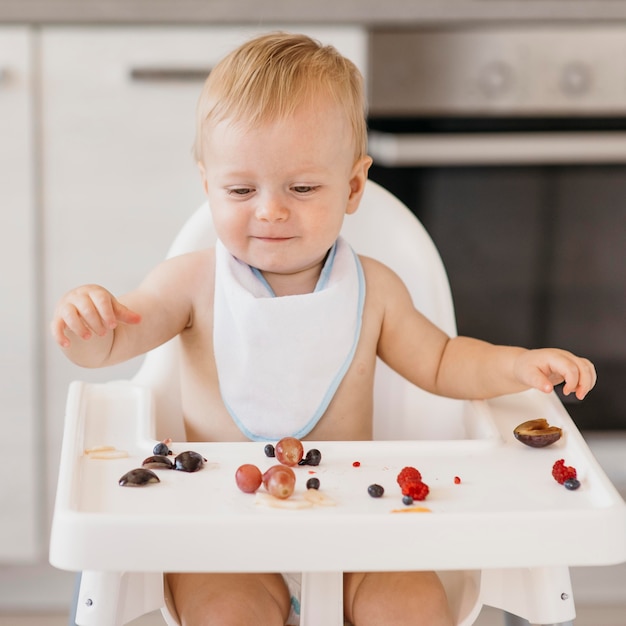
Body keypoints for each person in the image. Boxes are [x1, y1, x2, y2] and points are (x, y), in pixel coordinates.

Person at [51, 32, 597, 626]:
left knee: (412, 607)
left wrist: (515, 365)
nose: (270, 210)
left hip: (358, 530)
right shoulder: (189, 285)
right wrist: (91, 325)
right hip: (225, 540)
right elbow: (117, 340)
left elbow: (442, 362)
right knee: (225, 614)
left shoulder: (376, 289)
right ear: (208, 183)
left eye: (303, 188)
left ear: (354, 186)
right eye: (241, 189)